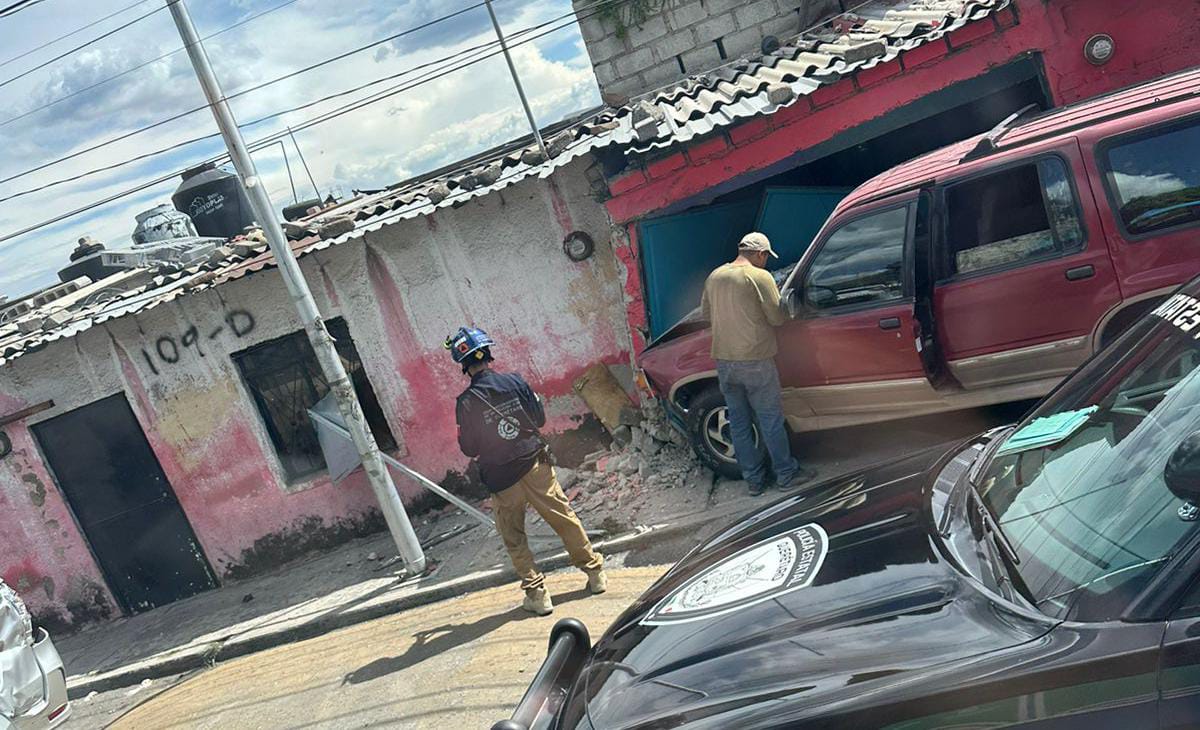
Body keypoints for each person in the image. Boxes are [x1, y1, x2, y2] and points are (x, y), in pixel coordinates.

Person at [446, 326, 606, 616]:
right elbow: (539, 418)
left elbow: (469, 448)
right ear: (488, 354)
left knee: (514, 537)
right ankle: (594, 574)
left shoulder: (466, 403)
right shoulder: (516, 382)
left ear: (463, 365)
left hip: (501, 479)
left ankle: (538, 595)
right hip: (535, 466)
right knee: (564, 519)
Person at [701, 232, 817, 496]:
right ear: (760, 254)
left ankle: (754, 481)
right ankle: (786, 474)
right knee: (770, 420)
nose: (765, 262)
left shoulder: (715, 276)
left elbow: (706, 314)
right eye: (766, 257)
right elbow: (777, 318)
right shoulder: (759, 276)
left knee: (739, 423)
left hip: (724, 361)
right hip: (755, 359)